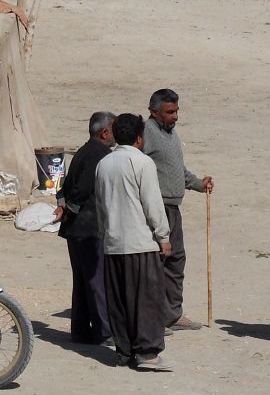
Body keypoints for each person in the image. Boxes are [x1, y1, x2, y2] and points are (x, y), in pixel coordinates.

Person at [95, 113, 172, 371]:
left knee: (119, 301)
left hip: (113, 243)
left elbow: (100, 205)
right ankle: (147, 352)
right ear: (139, 138)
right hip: (140, 243)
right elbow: (153, 204)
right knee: (146, 299)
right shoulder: (142, 162)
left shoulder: (104, 164)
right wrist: (163, 236)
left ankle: (124, 351)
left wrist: (105, 234)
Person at [142, 88, 213, 332]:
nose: (175, 116)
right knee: (155, 263)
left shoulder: (171, 134)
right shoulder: (146, 133)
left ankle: (172, 314)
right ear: (154, 112)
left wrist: (198, 184)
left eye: (176, 111)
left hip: (173, 209)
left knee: (176, 261)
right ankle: (152, 317)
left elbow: (177, 169)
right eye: (169, 112)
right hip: (156, 209)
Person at [54, 111, 116, 345]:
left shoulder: (84, 151)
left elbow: (65, 187)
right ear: (105, 132)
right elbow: (81, 190)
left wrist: (65, 210)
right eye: (114, 129)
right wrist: (69, 210)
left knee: (82, 280)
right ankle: (104, 331)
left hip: (76, 229)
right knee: (96, 280)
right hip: (89, 228)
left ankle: (80, 331)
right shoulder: (99, 155)